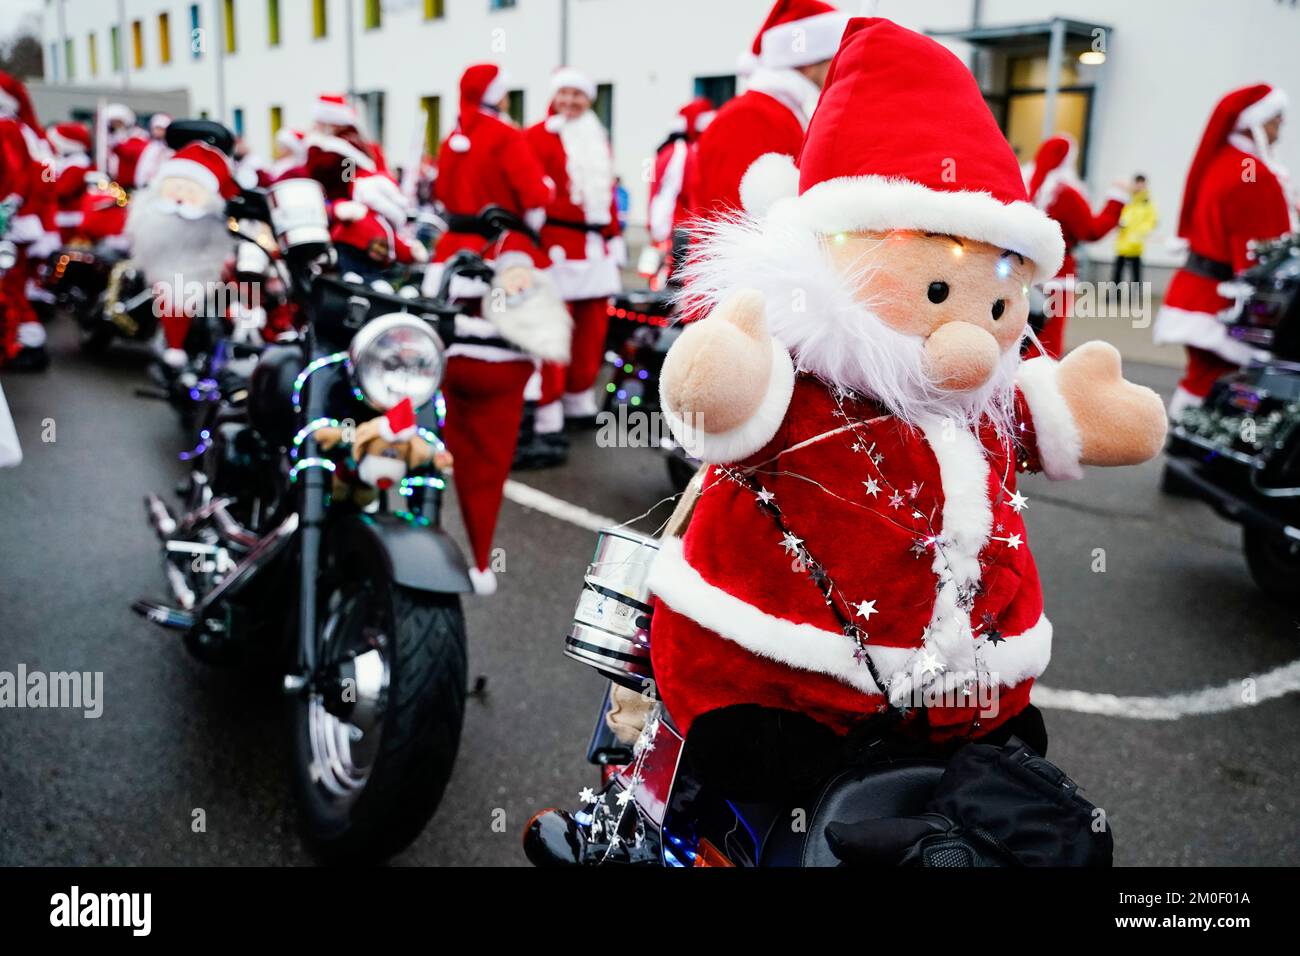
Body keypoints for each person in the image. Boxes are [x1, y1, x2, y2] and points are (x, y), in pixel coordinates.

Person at [639, 16, 1167, 807]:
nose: (972, 345)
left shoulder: (981, 393)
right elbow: (726, 401)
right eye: (936, 293)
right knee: (767, 790)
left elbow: (1028, 413)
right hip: (789, 680)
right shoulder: (810, 375)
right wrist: (731, 371)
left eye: (996, 302)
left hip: (967, 693)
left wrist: (1071, 409)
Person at [421, 63, 567, 595]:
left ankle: (425, 526)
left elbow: (440, 193)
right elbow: (536, 196)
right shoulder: (506, 136)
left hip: (449, 264)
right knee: (490, 431)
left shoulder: (453, 136)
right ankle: (481, 558)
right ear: (499, 98)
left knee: (436, 416)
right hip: (505, 262)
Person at [1154, 84, 1295, 418]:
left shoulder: (1222, 162)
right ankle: (1198, 458)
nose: (1279, 132)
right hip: (1223, 306)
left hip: (1198, 297)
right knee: (1227, 391)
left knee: (1202, 382)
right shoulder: (1254, 174)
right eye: (1276, 121)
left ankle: (1185, 448)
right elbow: (1263, 257)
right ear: (1255, 122)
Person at [519, 67, 625, 465]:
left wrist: (614, 235)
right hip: (555, 244)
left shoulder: (598, 136)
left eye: (577, 95)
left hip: (595, 247)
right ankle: (547, 410)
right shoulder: (537, 136)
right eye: (563, 94)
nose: (570, 102)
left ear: (589, 99)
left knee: (593, 327)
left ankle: (578, 397)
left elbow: (607, 192)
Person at [685, 0, 849, 223]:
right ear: (807, 61)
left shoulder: (781, 112)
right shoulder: (749, 117)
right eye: (834, 57)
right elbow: (736, 225)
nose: (841, 66)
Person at [1024, 134, 1127, 359]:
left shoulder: (1022, 183)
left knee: (1018, 335)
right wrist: (1116, 200)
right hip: (1057, 276)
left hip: (1022, 273)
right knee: (1048, 339)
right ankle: (1034, 389)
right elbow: (1091, 231)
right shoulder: (1063, 193)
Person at [0, 71, 57, 371]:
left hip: (10, 224)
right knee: (14, 287)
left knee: (10, 289)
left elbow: (15, 177)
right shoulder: (22, 130)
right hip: (20, 222)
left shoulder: (7, 129)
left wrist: (7, 209)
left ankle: (20, 344)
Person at [645, 96, 714, 284]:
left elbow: (653, 190)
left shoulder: (664, 152)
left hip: (667, 230)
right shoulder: (687, 154)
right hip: (683, 230)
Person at [46, 121, 94, 243]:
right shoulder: (65, 162)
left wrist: (46, 183)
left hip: (69, 217)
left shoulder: (78, 165)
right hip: (62, 216)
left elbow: (62, 190)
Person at [1112, 173, 1157, 286]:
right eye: (1137, 184)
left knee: (1136, 273)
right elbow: (1117, 213)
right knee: (1117, 271)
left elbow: (1151, 220)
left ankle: (1135, 297)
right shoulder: (1127, 199)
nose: (1139, 187)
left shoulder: (1147, 203)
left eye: (1142, 185)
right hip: (1123, 241)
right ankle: (1113, 295)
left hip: (1136, 243)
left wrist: (1140, 233)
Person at [104, 104, 148, 189]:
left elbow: (131, 152)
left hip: (128, 182)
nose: (115, 124)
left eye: (118, 122)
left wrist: (118, 145)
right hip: (111, 179)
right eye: (113, 122)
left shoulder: (138, 134)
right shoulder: (109, 137)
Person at [132, 113, 173, 188]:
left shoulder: (170, 149)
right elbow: (144, 166)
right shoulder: (150, 147)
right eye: (156, 128)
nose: (158, 131)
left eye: (161, 129)